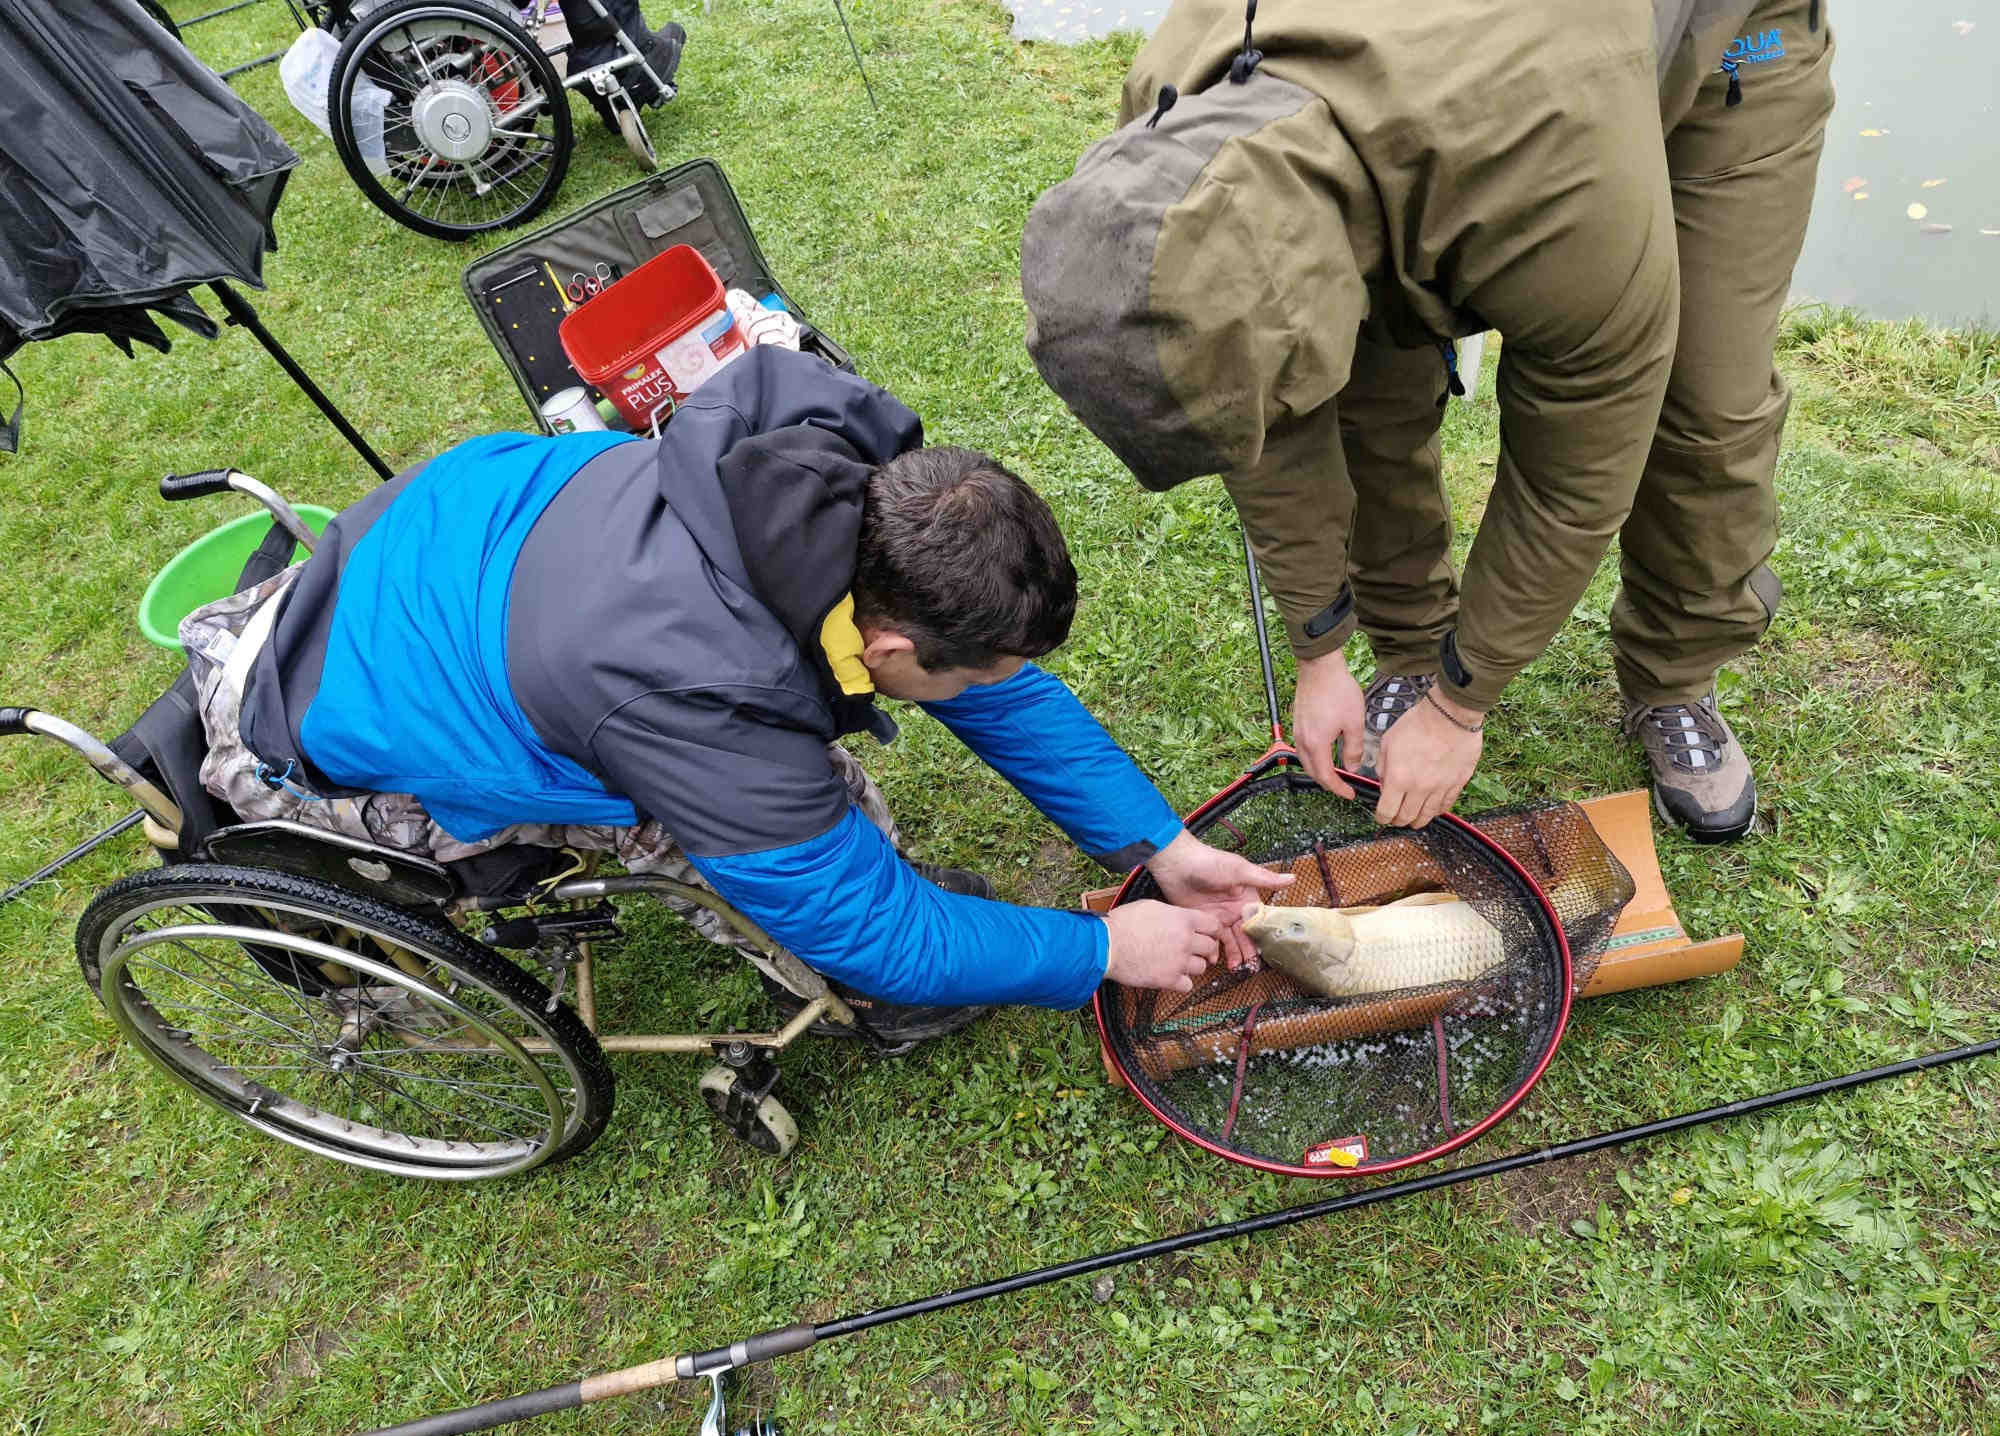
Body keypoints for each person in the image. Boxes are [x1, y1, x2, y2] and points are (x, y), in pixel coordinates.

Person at [178, 347, 1289, 1052]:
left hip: (417, 561)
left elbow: (993, 691)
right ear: (888, 644)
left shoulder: (837, 480)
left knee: (811, 813)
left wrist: (1161, 844)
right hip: (302, 721)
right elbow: (877, 931)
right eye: (972, 669)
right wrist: (1100, 952)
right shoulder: (707, 706)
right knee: (811, 856)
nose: (993, 691)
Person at [1021, 0, 1832, 843]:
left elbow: (1572, 482)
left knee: (1702, 406)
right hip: (1446, 112)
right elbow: (1262, 409)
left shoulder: (1553, 183)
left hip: (1707, 46)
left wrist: (1460, 707)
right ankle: (1408, 648)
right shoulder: (1170, 124)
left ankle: (1674, 674)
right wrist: (1318, 647)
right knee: (1364, 398)